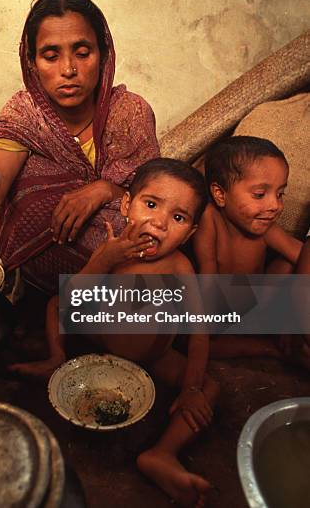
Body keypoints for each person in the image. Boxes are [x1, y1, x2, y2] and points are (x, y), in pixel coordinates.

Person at [12, 158, 219, 507]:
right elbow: (75, 297)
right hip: (100, 336)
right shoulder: (111, 249)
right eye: (150, 204)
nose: (159, 222)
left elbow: (199, 333)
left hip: (152, 356)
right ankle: (55, 357)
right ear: (126, 204)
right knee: (54, 304)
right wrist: (103, 261)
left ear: (191, 232)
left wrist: (193, 388)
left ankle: (162, 454)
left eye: (178, 218)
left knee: (210, 388)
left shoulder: (180, 268)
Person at [0, 0, 160, 294]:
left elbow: (160, 202)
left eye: (83, 52)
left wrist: (103, 190)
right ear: (32, 63)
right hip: (50, 287)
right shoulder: (25, 115)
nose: (68, 70)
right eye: (50, 56)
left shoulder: (131, 113)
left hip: (138, 270)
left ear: (103, 55)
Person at [193, 135, 305, 361]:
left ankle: (280, 338)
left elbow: (302, 254)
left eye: (280, 194)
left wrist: (295, 316)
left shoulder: (266, 229)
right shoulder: (209, 219)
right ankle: (270, 349)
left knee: (290, 264)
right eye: (260, 195)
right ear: (220, 194)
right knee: (192, 341)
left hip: (256, 310)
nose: (274, 205)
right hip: (214, 311)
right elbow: (207, 279)